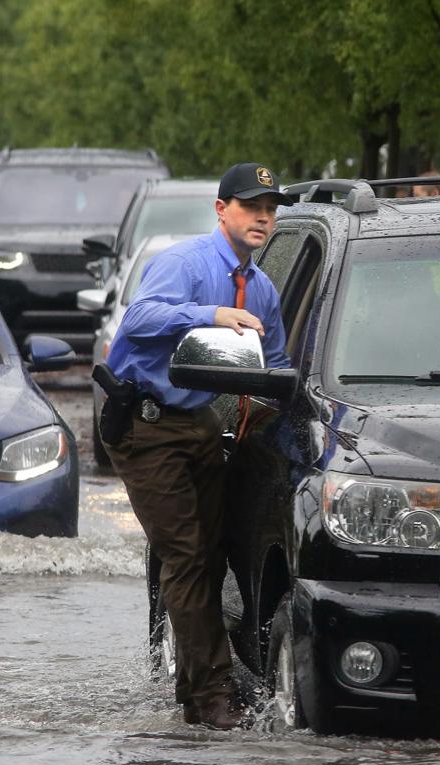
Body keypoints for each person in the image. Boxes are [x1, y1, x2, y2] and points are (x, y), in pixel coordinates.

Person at [102, 162, 292, 730]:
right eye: (251, 205)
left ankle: (193, 692)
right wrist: (210, 314)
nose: (263, 216)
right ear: (221, 210)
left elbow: (276, 367)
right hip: (145, 421)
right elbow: (138, 318)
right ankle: (214, 699)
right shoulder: (185, 263)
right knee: (185, 557)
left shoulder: (262, 288)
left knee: (207, 558)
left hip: (200, 423)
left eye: (271, 208)